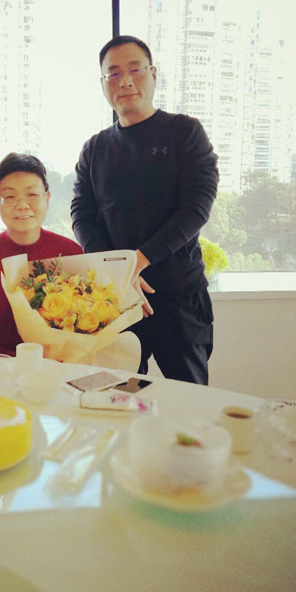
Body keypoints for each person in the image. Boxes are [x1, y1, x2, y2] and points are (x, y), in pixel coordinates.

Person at [71, 35, 219, 385]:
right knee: (116, 395)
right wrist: (117, 270)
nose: (125, 81)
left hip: (178, 298)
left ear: (153, 74)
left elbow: (197, 206)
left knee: (188, 398)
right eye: (113, 73)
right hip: (116, 300)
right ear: (103, 84)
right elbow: (81, 213)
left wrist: (139, 260)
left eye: (135, 69)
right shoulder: (94, 149)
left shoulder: (184, 132)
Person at [0, 153, 82, 357]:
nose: (22, 205)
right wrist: (21, 360)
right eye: (9, 197)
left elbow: (85, 331)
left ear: (47, 198)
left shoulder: (70, 252)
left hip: (58, 370)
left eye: (32, 194)